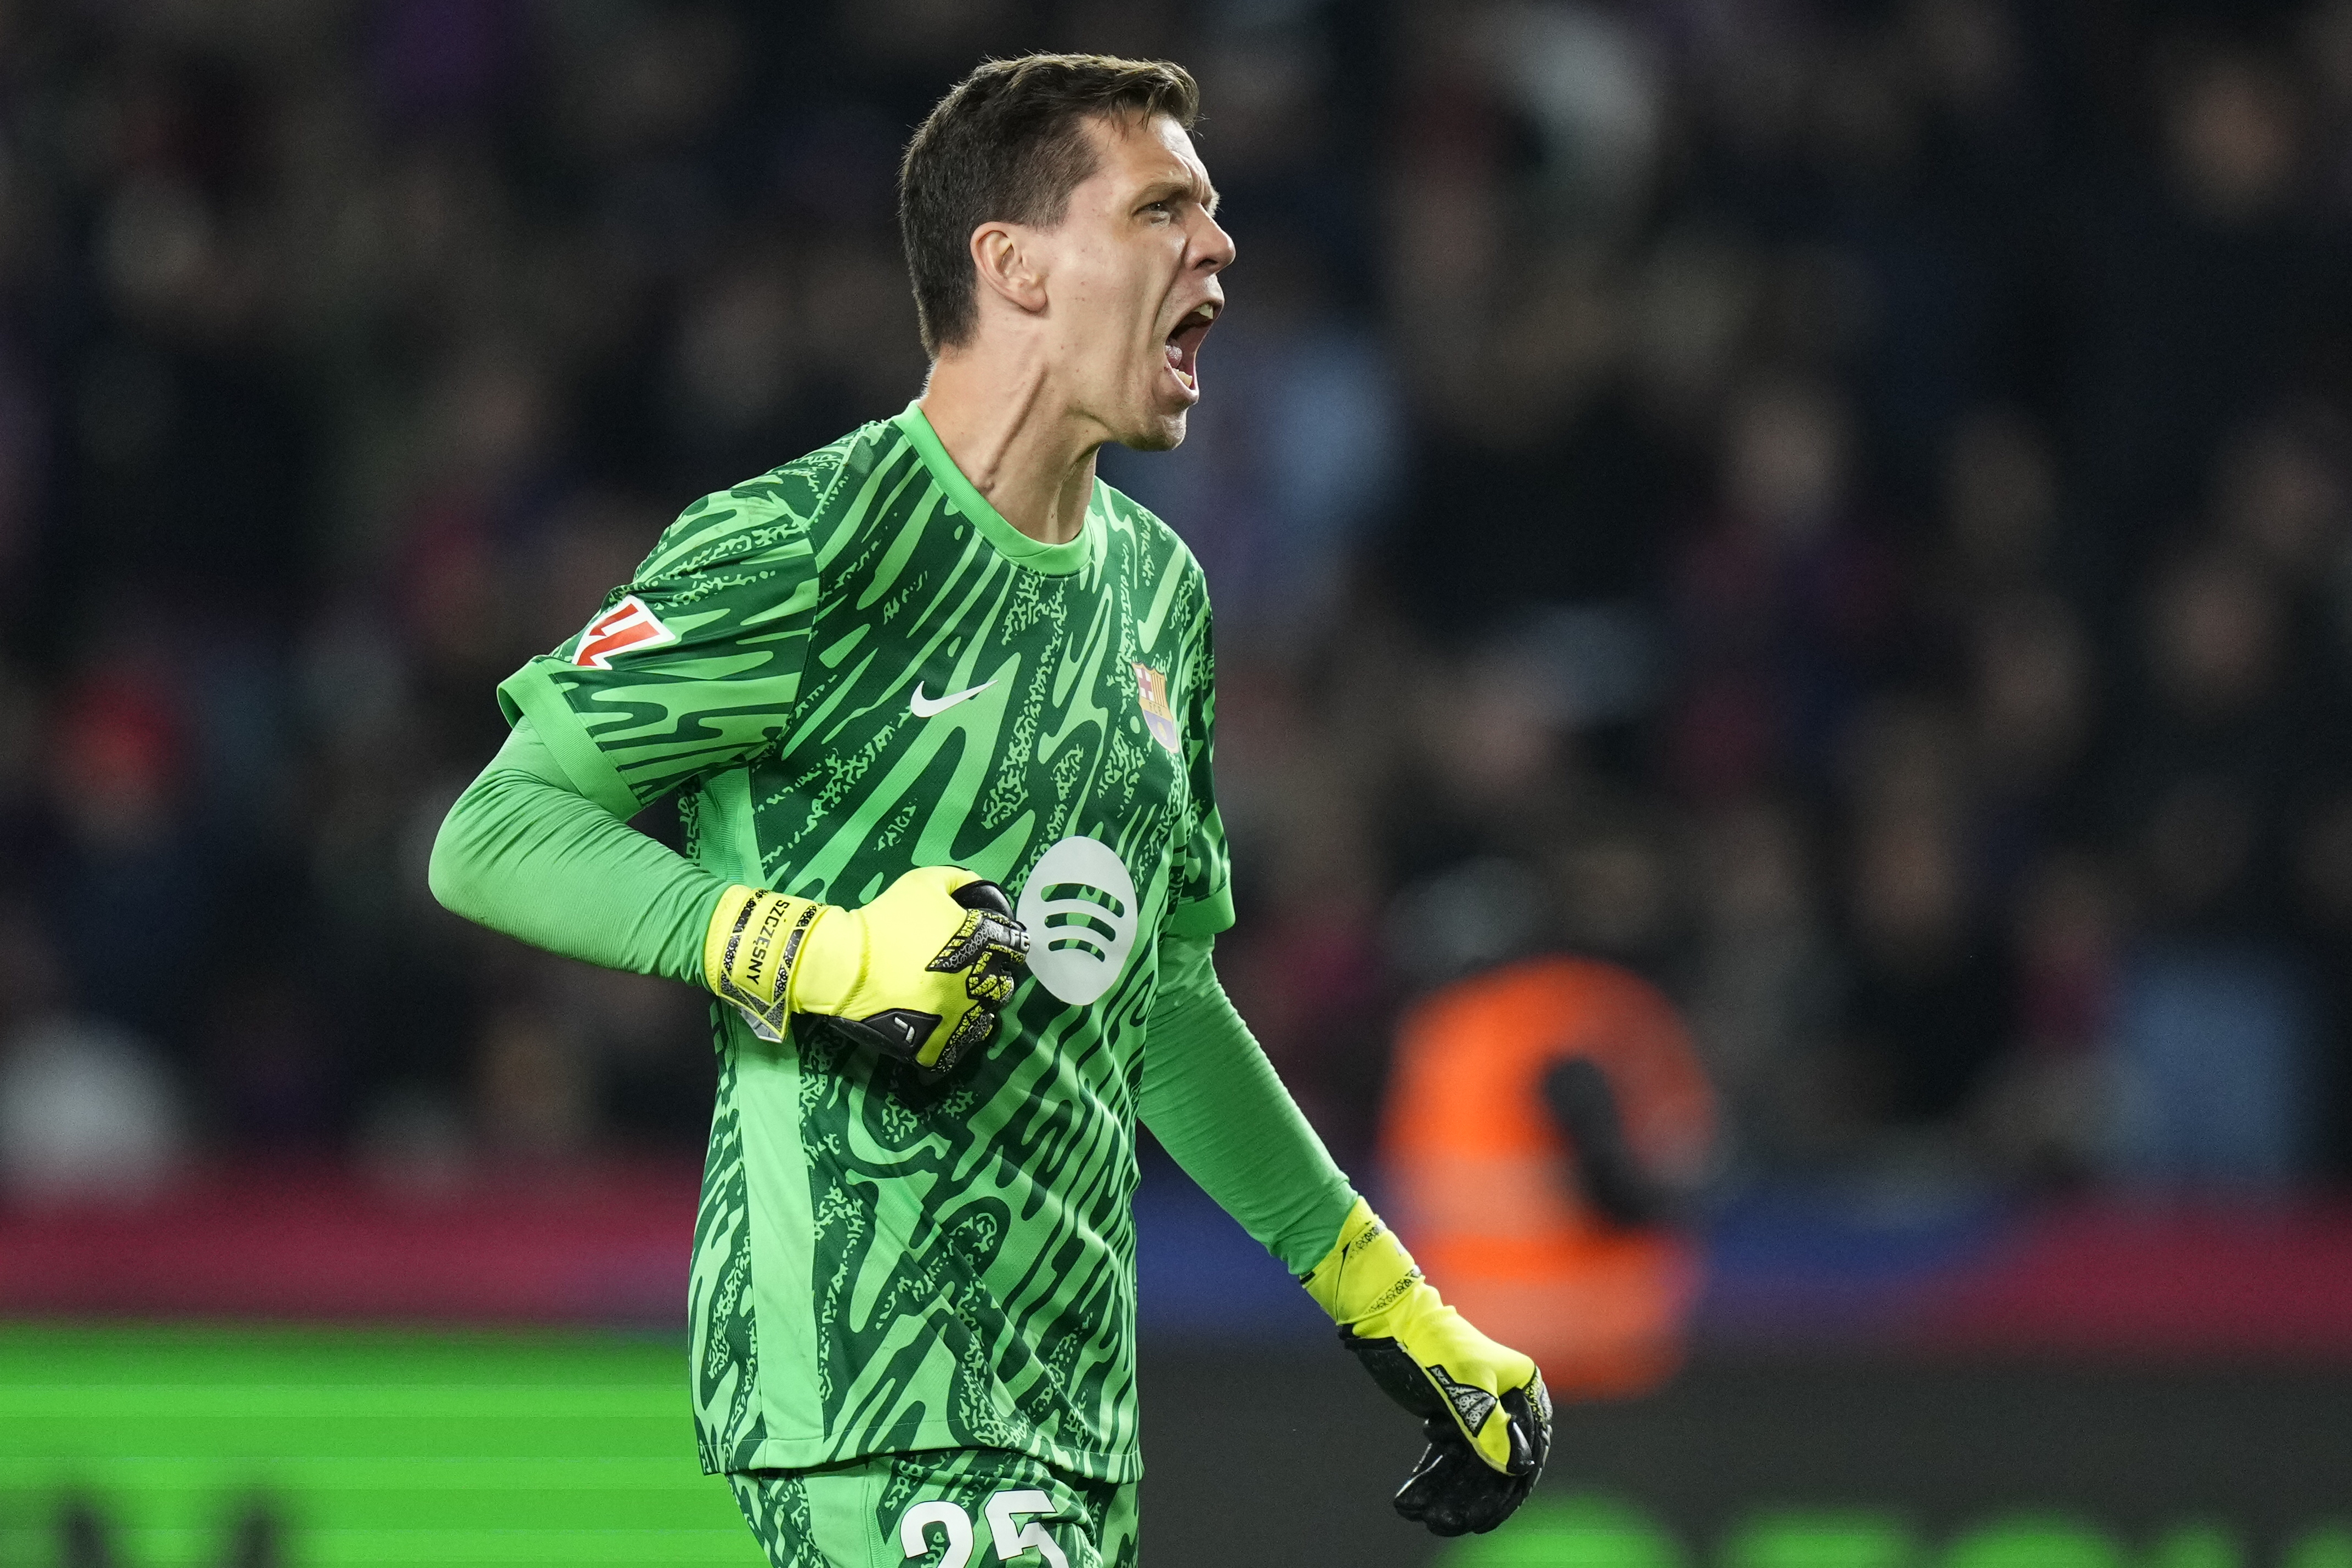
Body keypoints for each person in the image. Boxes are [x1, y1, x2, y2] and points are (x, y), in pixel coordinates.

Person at [429, 54, 1549, 1568]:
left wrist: (1385, 1299)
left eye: (1213, 215)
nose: (1217, 249)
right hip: (869, 1377)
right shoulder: (808, 544)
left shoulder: (1159, 595)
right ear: (1013, 266)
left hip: (1073, 1417)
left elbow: (1152, 1000)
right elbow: (493, 833)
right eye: (1162, 208)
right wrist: (814, 955)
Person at [1384, 955, 1716, 1399]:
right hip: (1597, 1323)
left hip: (1470, 1327)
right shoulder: (1577, 1018)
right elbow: (1619, 1184)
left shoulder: (1449, 1028)